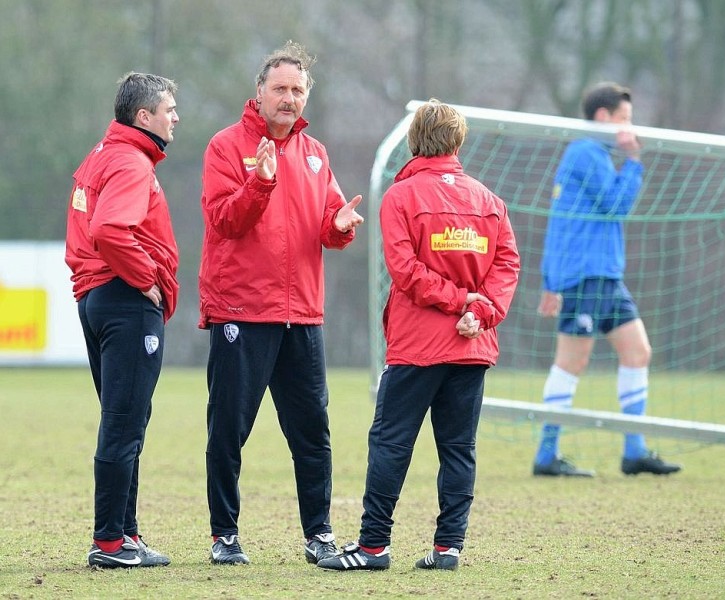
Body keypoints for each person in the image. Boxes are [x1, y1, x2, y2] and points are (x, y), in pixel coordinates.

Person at [317, 99, 520, 572]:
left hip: (418, 345)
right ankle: (449, 548)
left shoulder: (400, 197)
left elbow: (404, 272)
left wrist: (462, 303)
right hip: (471, 347)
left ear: (414, 141)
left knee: (391, 443)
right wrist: (481, 309)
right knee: (458, 448)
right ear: (458, 141)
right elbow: (507, 266)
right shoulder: (490, 201)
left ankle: (372, 548)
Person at [198, 40, 364, 566]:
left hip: (303, 315)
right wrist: (259, 183)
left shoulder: (316, 154)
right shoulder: (226, 147)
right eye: (280, 89)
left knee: (313, 431)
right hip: (243, 312)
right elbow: (224, 220)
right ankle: (225, 535)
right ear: (260, 93)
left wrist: (338, 229)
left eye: (297, 89)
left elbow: (329, 221)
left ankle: (319, 534)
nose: (289, 98)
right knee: (228, 429)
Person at [532, 82, 681, 478]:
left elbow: (562, 220)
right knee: (571, 362)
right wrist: (633, 160)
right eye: (624, 119)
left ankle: (635, 450)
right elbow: (616, 205)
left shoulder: (589, 153)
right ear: (603, 117)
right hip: (585, 277)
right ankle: (546, 455)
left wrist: (549, 280)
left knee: (638, 352)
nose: (629, 128)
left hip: (606, 277)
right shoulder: (586, 151)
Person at [65, 72, 180, 568]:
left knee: (126, 419)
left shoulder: (100, 154)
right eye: (169, 108)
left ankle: (124, 535)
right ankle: (110, 542)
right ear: (144, 117)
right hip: (124, 302)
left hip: (96, 299)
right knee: (123, 422)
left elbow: (84, 232)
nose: (176, 116)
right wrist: (147, 279)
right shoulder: (132, 163)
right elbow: (110, 229)